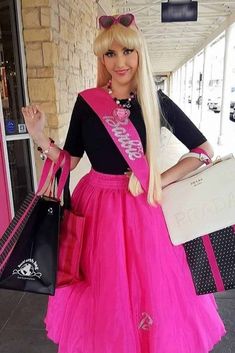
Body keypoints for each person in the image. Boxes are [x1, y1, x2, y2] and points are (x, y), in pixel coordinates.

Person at [21, 13, 226, 353]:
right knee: (104, 290)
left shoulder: (154, 101)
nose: (120, 62)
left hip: (142, 207)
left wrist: (160, 178)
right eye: (110, 54)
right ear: (102, 59)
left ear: (139, 54)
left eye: (127, 52)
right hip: (96, 204)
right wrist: (40, 136)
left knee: (152, 288)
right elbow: (69, 161)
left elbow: (203, 149)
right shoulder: (88, 102)